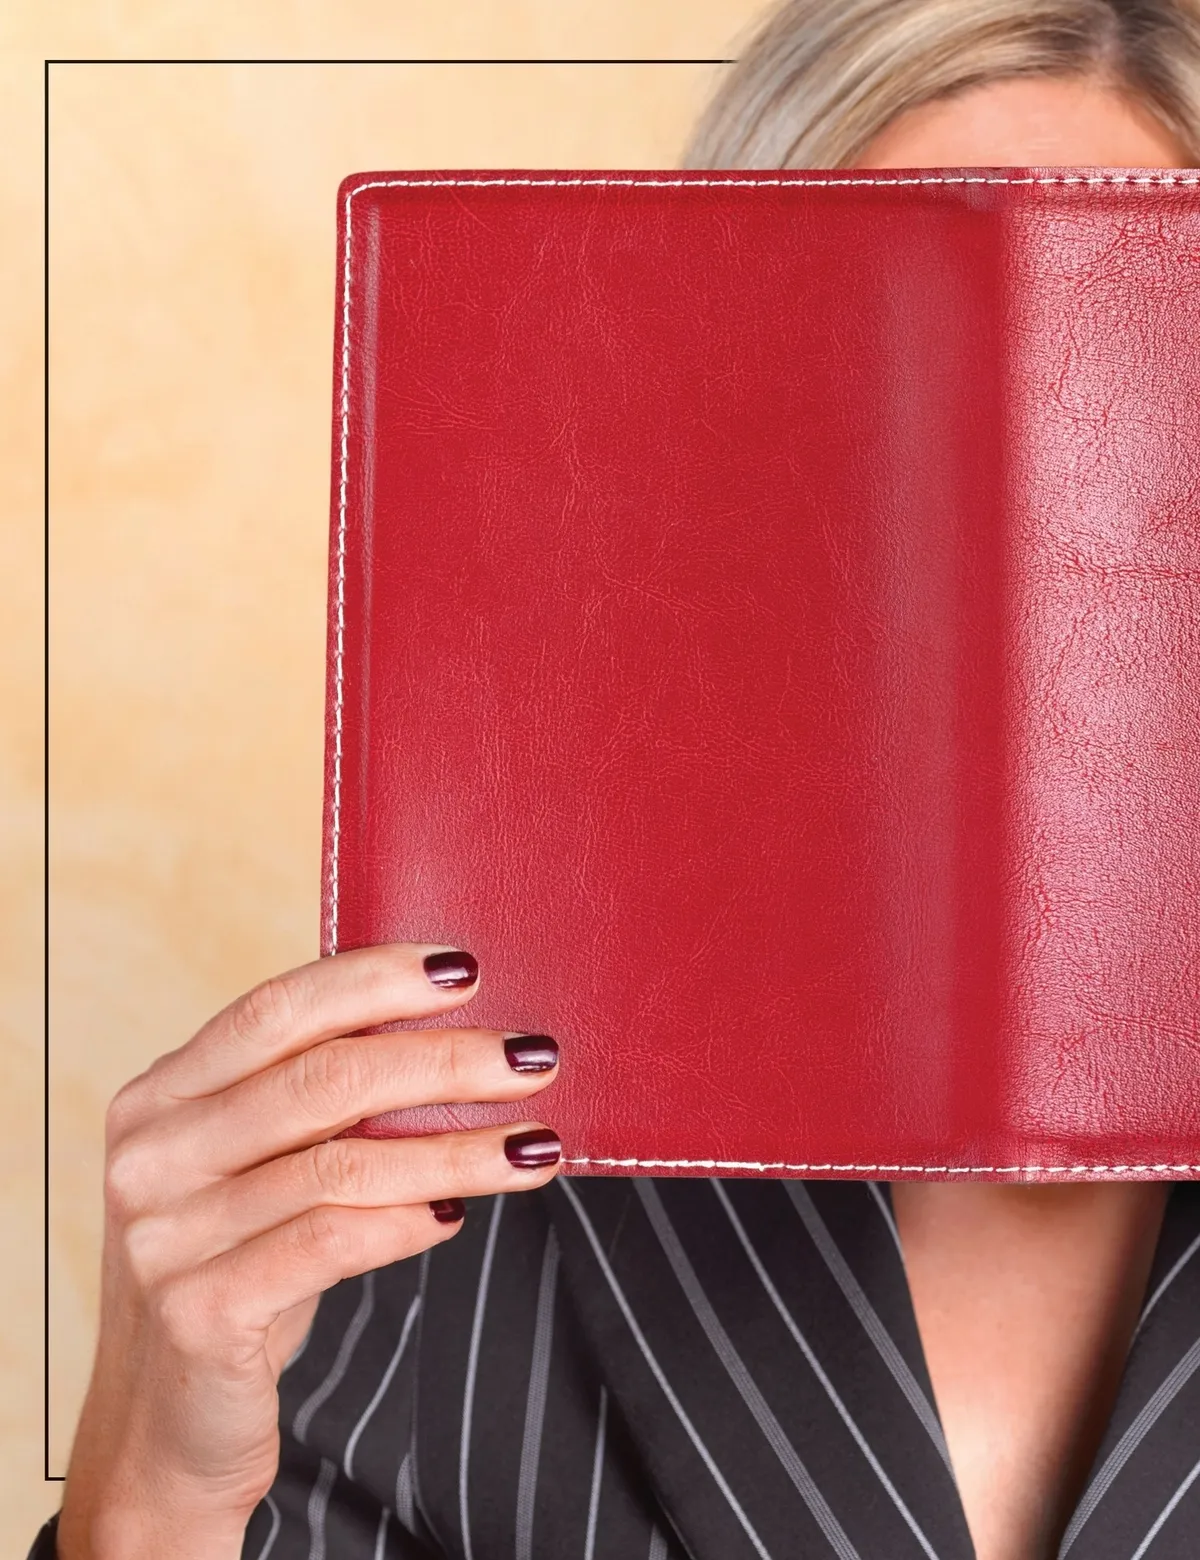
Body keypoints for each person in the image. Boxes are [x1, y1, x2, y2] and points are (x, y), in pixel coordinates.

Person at [33, 2, 1200, 1557]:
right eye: (875, 382)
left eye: (1122, 387)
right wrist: (150, 1500)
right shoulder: (422, 1208)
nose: (989, 546)